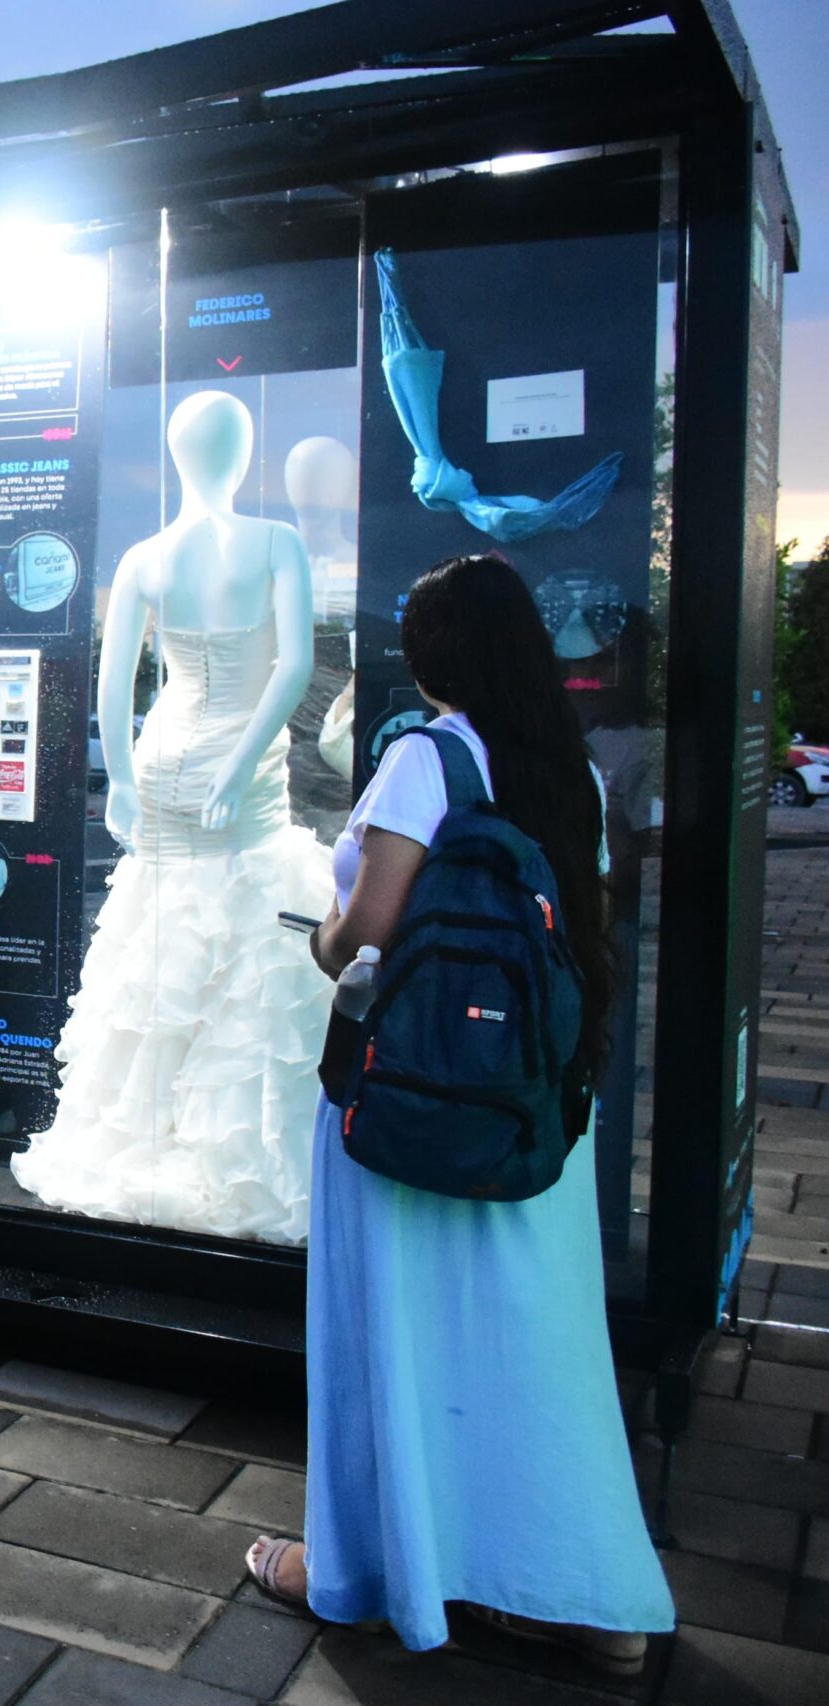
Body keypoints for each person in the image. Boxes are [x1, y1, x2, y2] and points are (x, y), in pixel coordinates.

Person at [246, 554, 672, 1673]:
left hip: (409, 1101)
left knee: (386, 1335)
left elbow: (369, 933)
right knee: (532, 1345)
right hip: (533, 1108)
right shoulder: (565, 772)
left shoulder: (424, 759)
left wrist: (317, 935)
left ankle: (369, 1574)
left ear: (430, 655)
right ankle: (582, 1593)